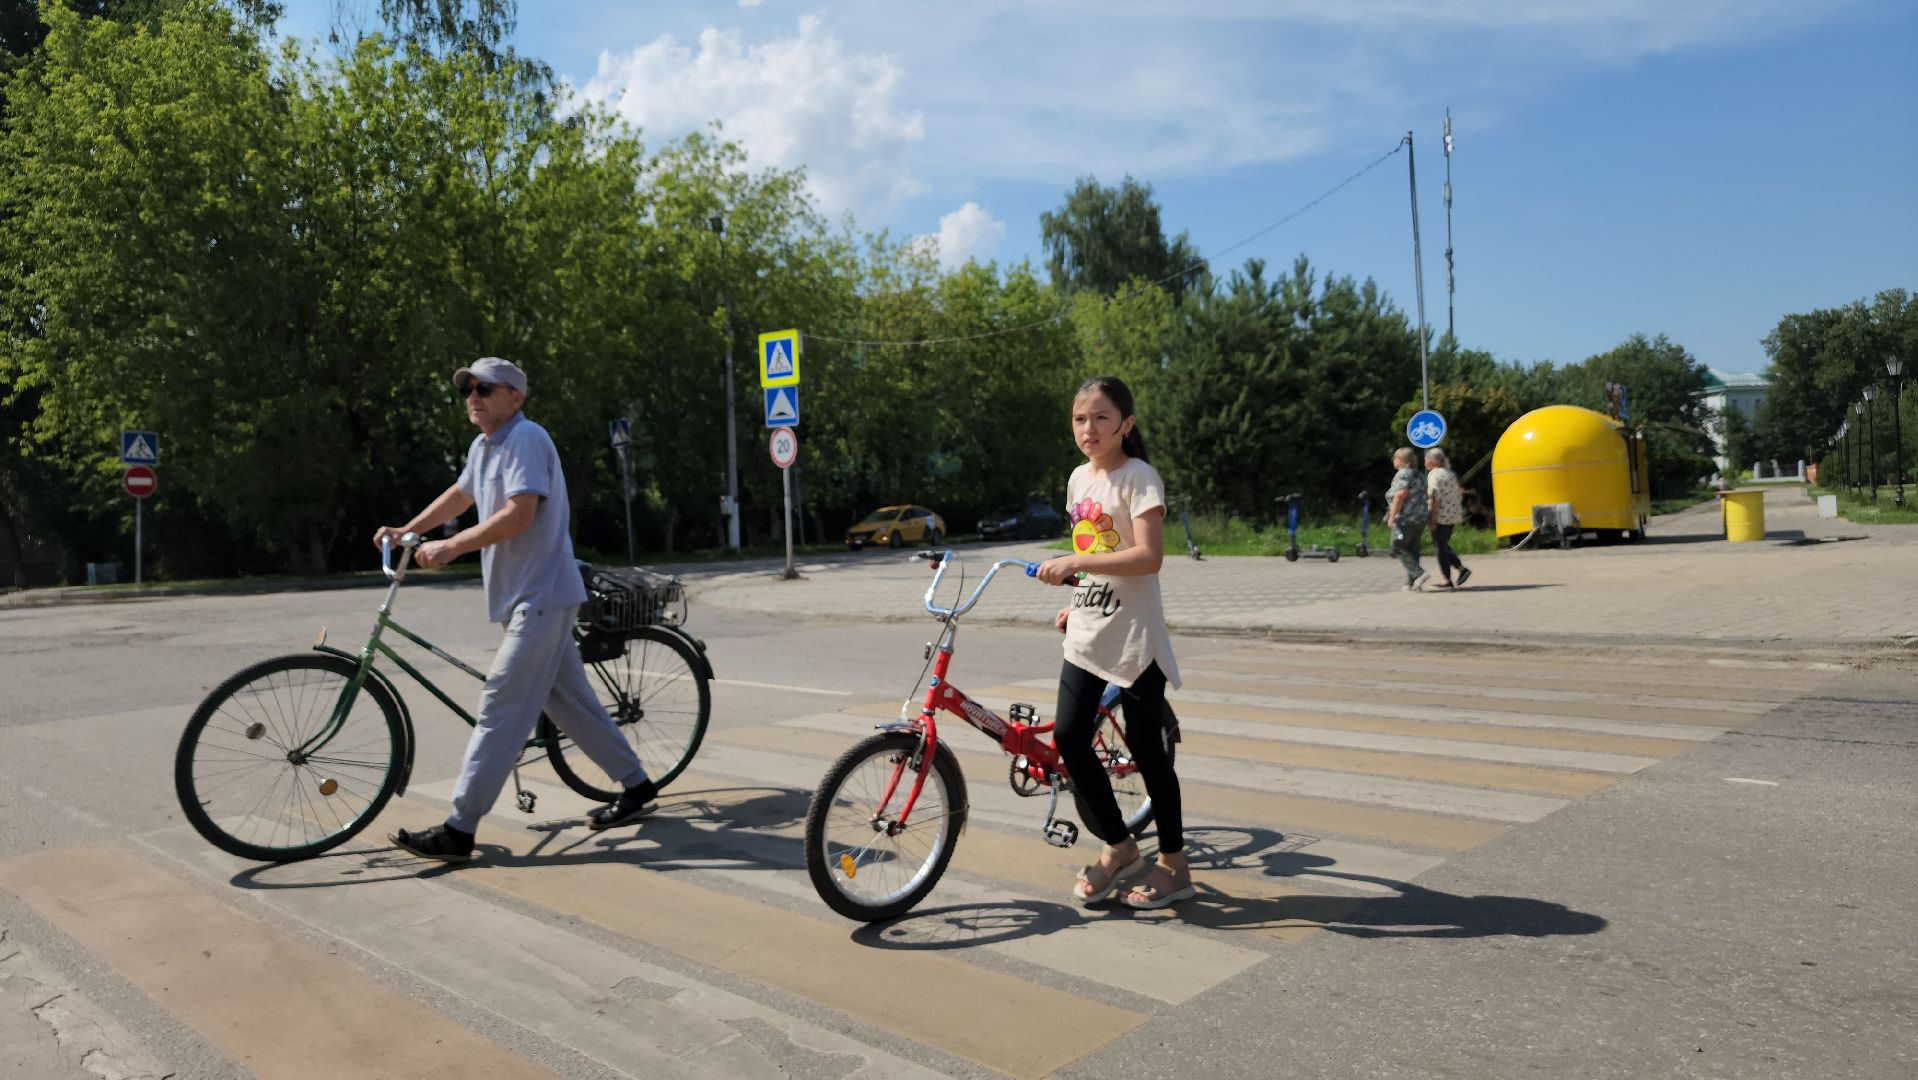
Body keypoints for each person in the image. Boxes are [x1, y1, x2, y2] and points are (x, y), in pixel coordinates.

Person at [375, 357, 656, 862]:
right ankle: (636, 784)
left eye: (485, 388)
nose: (473, 396)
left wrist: (451, 547)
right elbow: (461, 495)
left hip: (542, 598)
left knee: (500, 706)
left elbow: (518, 514)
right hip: (528, 599)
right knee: (571, 704)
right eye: (468, 389)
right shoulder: (485, 446)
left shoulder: (527, 439)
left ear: (516, 398)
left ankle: (459, 829)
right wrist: (406, 529)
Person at [1035, 376, 1190, 909]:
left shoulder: (1139, 477)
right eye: (1080, 418)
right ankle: (1121, 846)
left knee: (1149, 753)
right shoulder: (1079, 479)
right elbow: (1097, 552)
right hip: (1090, 628)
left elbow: (1148, 557)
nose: (1089, 428)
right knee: (1070, 737)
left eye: (1101, 418)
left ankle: (1174, 864)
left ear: (1126, 424)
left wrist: (1076, 561)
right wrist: (1076, 594)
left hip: (1134, 637)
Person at [1424, 448, 1472, 589]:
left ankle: (1447, 579)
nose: (1425, 461)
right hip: (1452, 514)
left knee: (1440, 547)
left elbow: (1435, 497)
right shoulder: (1450, 473)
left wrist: (1433, 518)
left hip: (1441, 515)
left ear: (1434, 460)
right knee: (1443, 544)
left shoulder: (1434, 475)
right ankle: (1462, 569)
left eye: (1427, 459)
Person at [1384, 446, 1430, 591]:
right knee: (1412, 550)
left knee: (1397, 547)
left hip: (1406, 518)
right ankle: (1412, 583)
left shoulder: (1403, 474)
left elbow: (1400, 495)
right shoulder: (1419, 474)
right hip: (1420, 517)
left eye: (1395, 458)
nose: (1393, 461)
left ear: (1401, 460)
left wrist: (1392, 517)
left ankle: (1419, 574)